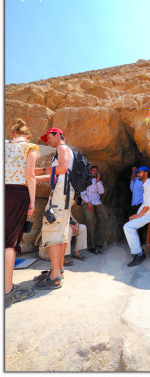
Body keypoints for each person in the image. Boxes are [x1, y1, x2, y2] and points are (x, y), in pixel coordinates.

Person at [34, 127, 75, 289]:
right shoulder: (66, 150)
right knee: (61, 230)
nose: (48, 140)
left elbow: (63, 168)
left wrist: (40, 170)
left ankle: (55, 276)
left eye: (49, 137)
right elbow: (58, 174)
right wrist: (35, 176)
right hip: (64, 192)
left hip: (60, 193)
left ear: (58, 135)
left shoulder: (62, 148)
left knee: (52, 228)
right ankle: (58, 269)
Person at [5, 119, 38, 307]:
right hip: (17, 193)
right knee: (9, 243)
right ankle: (8, 291)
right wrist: (32, 201)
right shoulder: (29, 147)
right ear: (27, 135)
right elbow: (30, 175)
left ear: (12, 134)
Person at [123, 166, 150, 267]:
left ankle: (139, 254)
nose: (137, 174)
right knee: (129, 223)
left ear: (146, 173)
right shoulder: (146, 185)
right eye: (137, 173)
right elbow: (145, 204)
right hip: (147, 214)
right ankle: (138, 251)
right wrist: (136, 215)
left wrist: (139, 215)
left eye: (139, 172)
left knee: (128, 227)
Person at [80, 165, 108, 254]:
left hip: (97, 202)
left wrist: (98, 181)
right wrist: (88, 202)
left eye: (96, 171)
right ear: (90, 171)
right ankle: (91, 245)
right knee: (90, 221)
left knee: (104, 219)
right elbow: (82, 193)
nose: (94, 172)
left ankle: (99, 243)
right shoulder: (85, 180)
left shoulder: (98, 181)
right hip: (87, 202)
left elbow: (101, 192)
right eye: (93, 170)